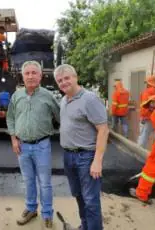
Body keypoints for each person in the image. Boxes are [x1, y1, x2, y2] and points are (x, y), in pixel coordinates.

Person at [54, 64, 109, 230]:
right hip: (69, 156)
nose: (64, 82)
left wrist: (97, 161)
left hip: (86, 157)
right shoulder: (64, 100)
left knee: (91, 200)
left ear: (76, 77)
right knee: (78, 195)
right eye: (60, 80)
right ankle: (85, 226)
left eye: (67, 78)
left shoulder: (89, 99)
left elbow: (103, 129)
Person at [6, 60, 60, 228]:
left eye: (34, 73)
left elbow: (60, 116)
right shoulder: (16, 96)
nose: (30, 76)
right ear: (22, 76)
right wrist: (14, 139)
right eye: (27, 73)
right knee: (28, 180)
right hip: (23, 147)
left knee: (45, 182)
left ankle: (47, 214)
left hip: (42, 146)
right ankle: (31, 209)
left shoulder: (48, 96)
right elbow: (11, 118)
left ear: (40, 75)